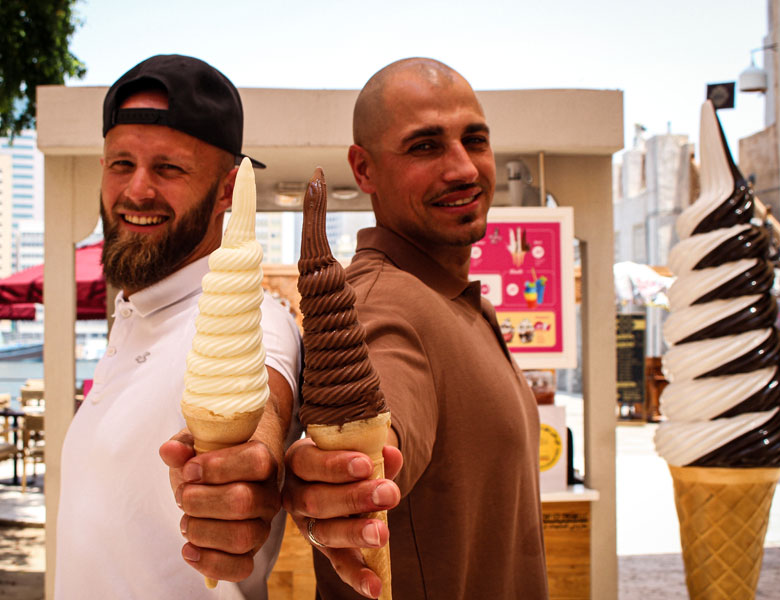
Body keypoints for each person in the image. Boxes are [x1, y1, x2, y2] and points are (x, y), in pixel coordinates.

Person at [283, 58, 548, 599]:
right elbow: (378, 432)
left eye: (474, 140)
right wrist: (342, 483)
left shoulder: (456, 300)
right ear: (364, 169)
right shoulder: (382, 304)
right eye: (425, 146)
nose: (464, 169)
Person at [55, 55, 302, 599]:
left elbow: (264, 411)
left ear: (226, 191)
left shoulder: (251, 320)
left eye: (168, 168)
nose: (137, 190)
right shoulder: (138, 312)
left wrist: (251, 471)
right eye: (121, 164)